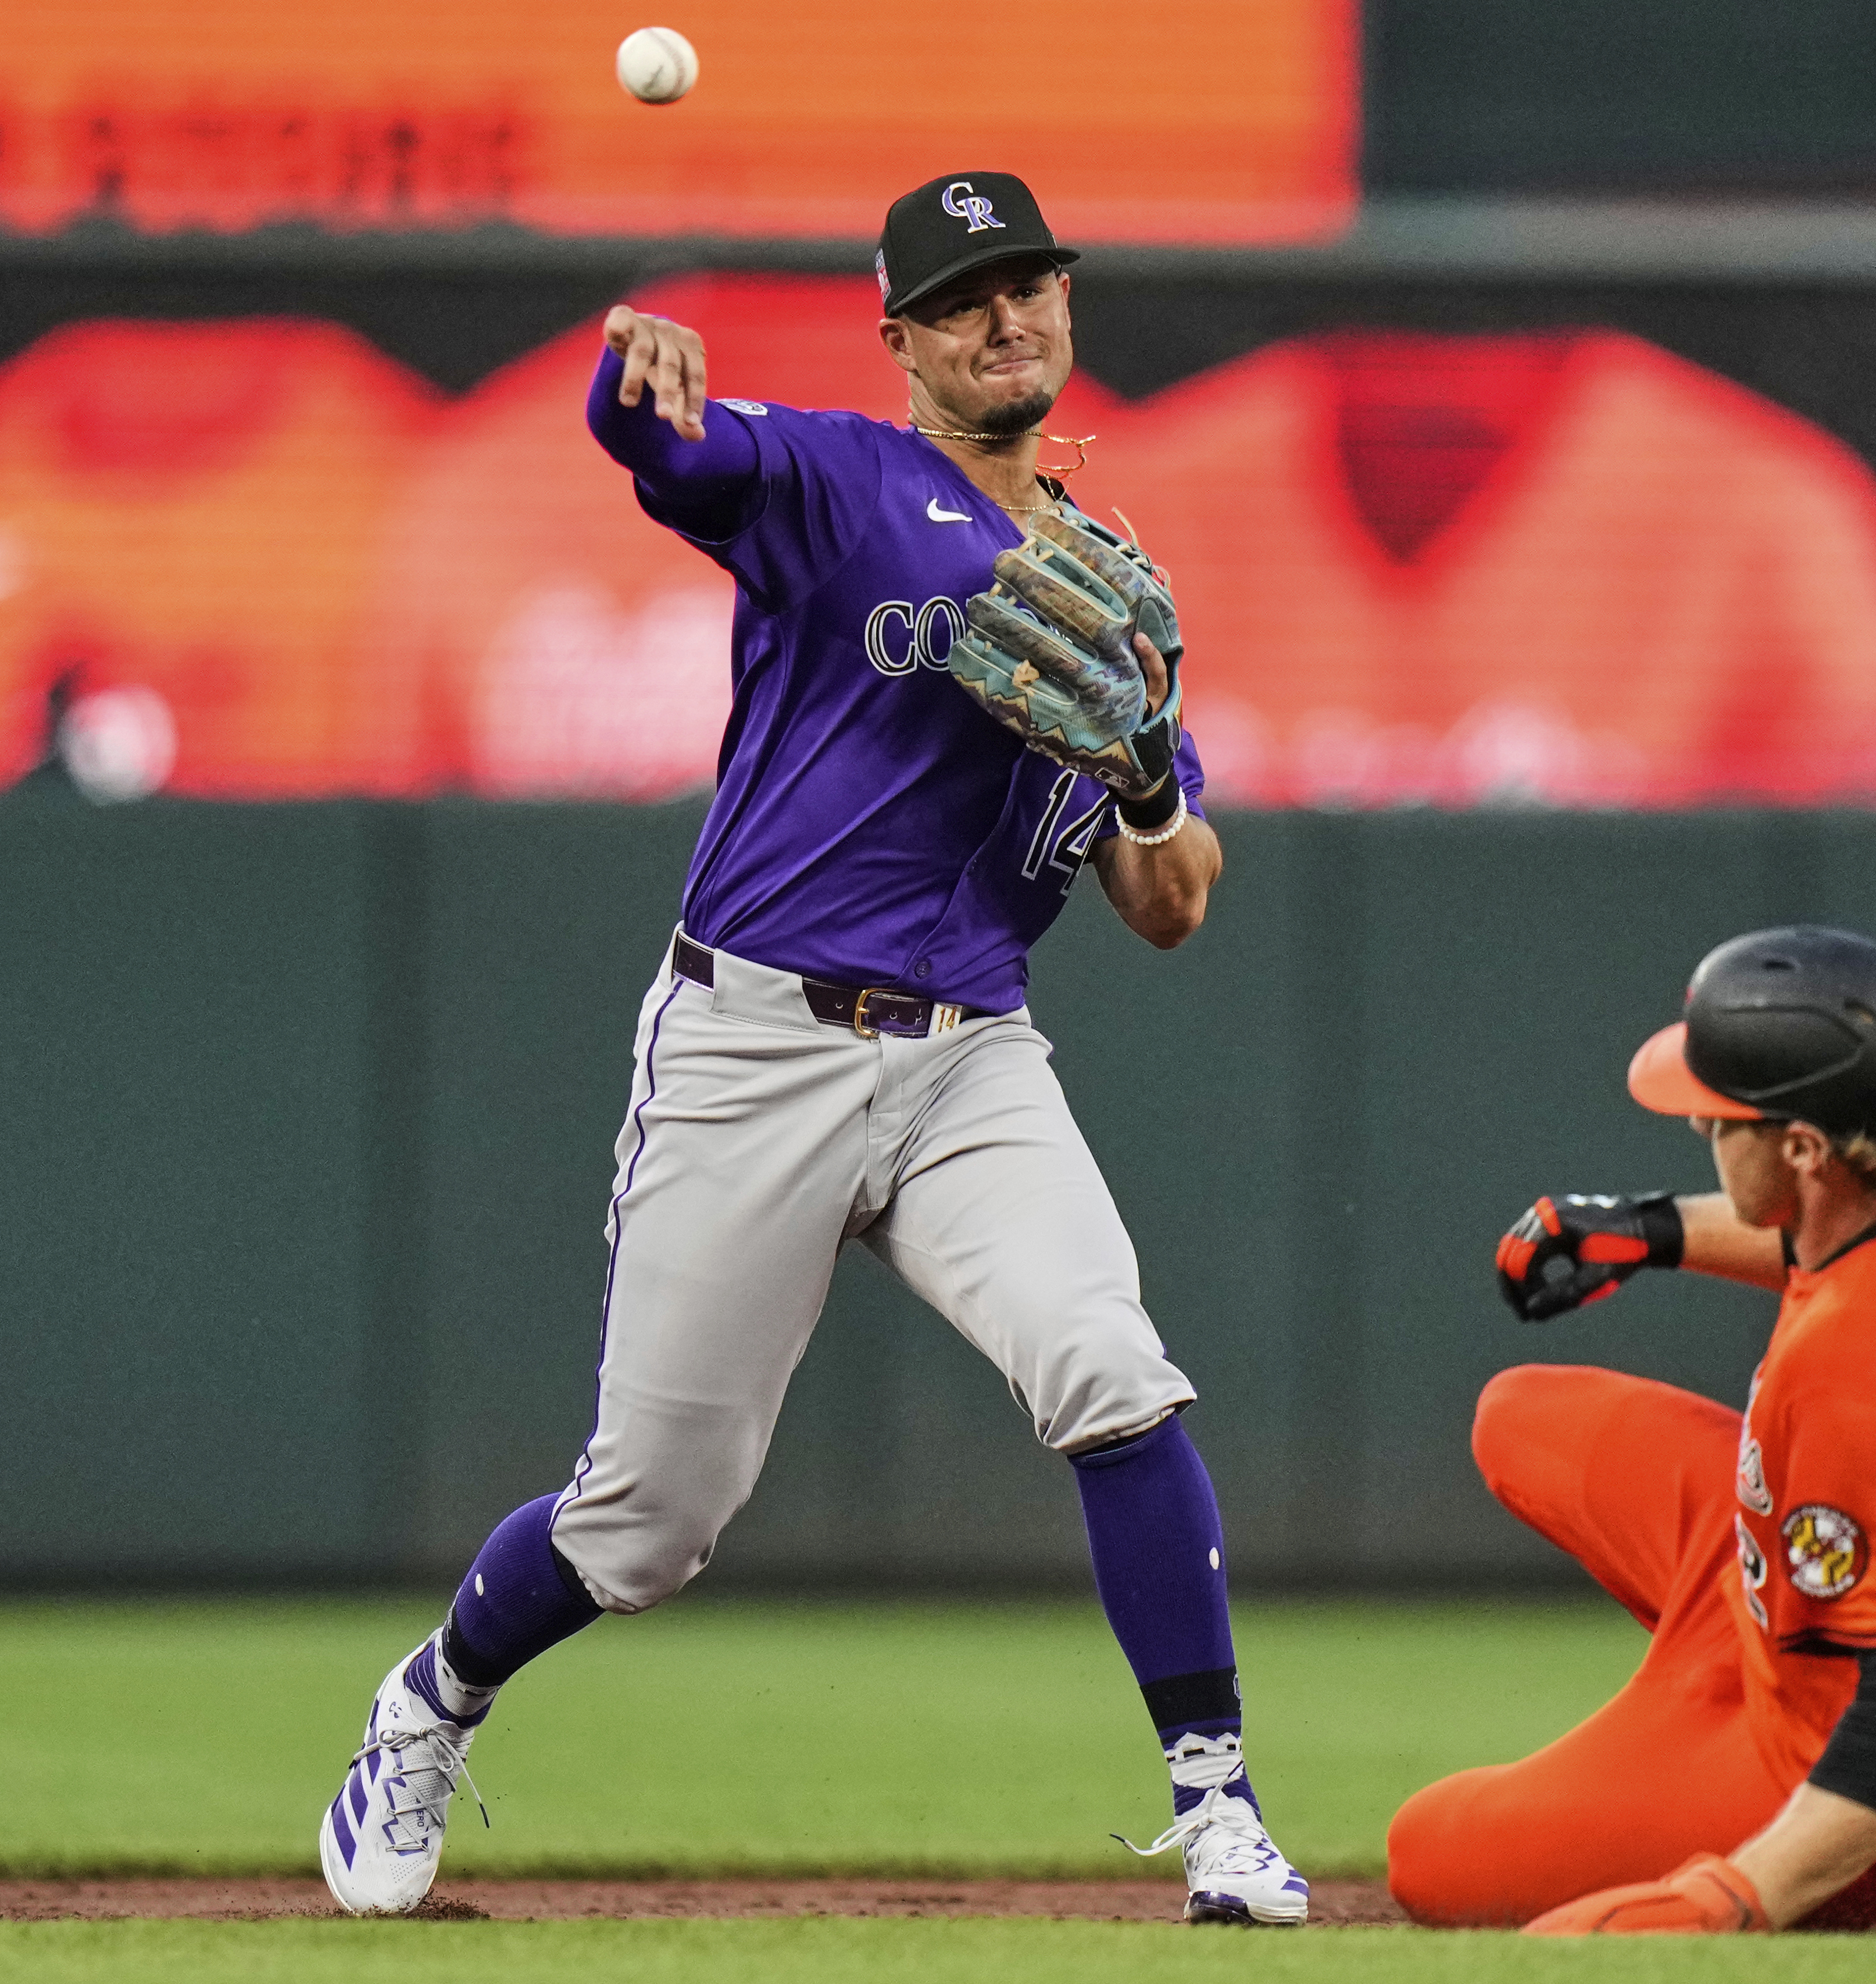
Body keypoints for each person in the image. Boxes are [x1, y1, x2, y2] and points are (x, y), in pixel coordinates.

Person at [315, 170, 1306, 1928]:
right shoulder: (837, 481)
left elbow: (1174, 903)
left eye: (1031, 284)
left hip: (971, 1056)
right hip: (754, 1038)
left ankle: (1219, 1804)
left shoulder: (1116, 590)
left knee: (1110, 1365)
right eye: (965, 296)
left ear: (1069, 307)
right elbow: (670, 448)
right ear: (906, 342)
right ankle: (428, 1706)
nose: (1008, 316)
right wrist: (637, 374)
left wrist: (1149, 760)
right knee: (650, 1521)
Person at [1390, 926, 1876, 1933]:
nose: (1700, 1130)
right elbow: (1835, 1236)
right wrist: (1655, 1228)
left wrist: (1728, 1899)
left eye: (1722, 1118)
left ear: (1806, 1148)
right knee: (1518, 1418)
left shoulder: (1857, 1370)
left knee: (1429, 1849)